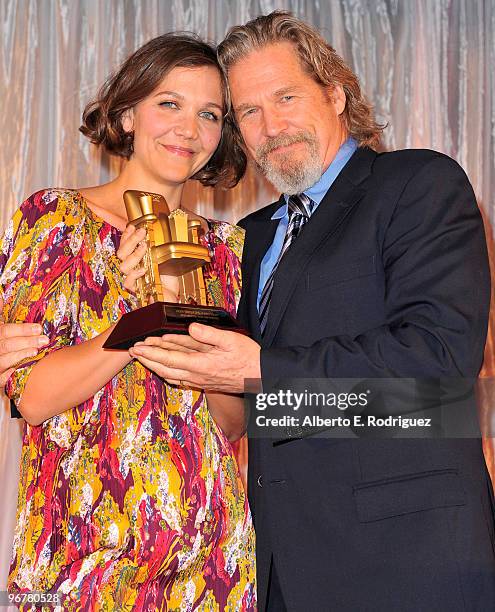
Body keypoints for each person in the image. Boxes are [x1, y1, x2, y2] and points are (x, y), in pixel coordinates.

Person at [117, 11, 495, 611]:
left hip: (407, 561)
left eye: (286, 96)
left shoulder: (417, 182)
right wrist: (140, 295)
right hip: (278, 569)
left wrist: (268, 373)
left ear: (336, 93)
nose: (273, 125)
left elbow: (438, 376)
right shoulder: (249, 237)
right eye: (248, 111)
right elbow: (227, 404)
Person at [0, 34, 255, 610]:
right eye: (169, 103)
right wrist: (138, 320)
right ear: (127, 114)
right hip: (82, 554)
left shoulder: (228, 250)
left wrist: (201, 350)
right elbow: (32, 397)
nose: (188, 128)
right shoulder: (55, 219)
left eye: (208, 113)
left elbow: (231, 425)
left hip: (208, 557)